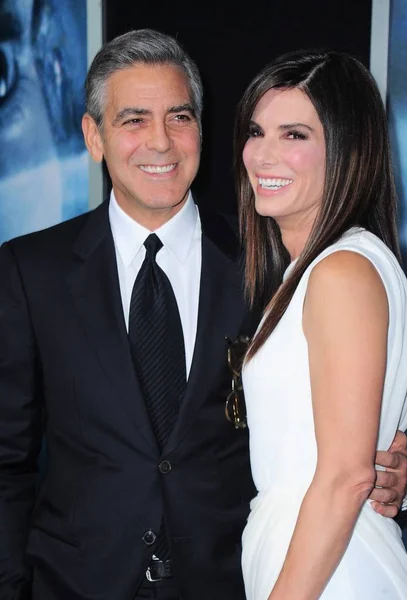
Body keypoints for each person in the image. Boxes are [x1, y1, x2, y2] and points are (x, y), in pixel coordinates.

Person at [0, 30, 405, 600]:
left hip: (235, 580)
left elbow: (346, 409)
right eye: (134, 119)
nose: (160, 142)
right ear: (94, 136)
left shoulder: (268, 261)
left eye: (180, 117)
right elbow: (6, 461)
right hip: (75, 583)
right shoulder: (29, 270)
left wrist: (393, 459)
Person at [235, 49, 407, 599]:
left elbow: (345, 477)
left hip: (331, 572)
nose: (263, 155)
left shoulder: (340, 270)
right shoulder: (323, 269)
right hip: (316, 557)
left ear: (347, 149)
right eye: (257, 132)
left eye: (295, 135)